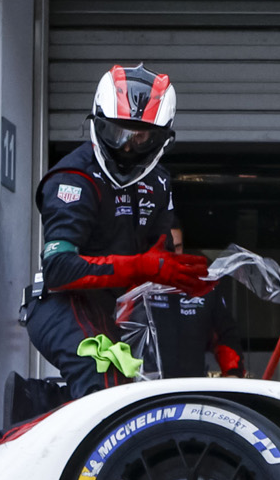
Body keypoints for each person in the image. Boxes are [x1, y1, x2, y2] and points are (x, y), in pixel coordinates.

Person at [27, 65, 213, 397]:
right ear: (97, 123)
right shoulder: (73, 179)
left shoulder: (159, 183)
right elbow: (57, 269)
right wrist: (140, 266)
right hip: (61, 304)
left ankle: (35, 411)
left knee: (143, 394)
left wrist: (173, 277)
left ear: (161, 137)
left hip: (112, 310)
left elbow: (159, 253)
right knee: (104, 382)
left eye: (140, 136)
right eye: (117, 133)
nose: (127, 147)